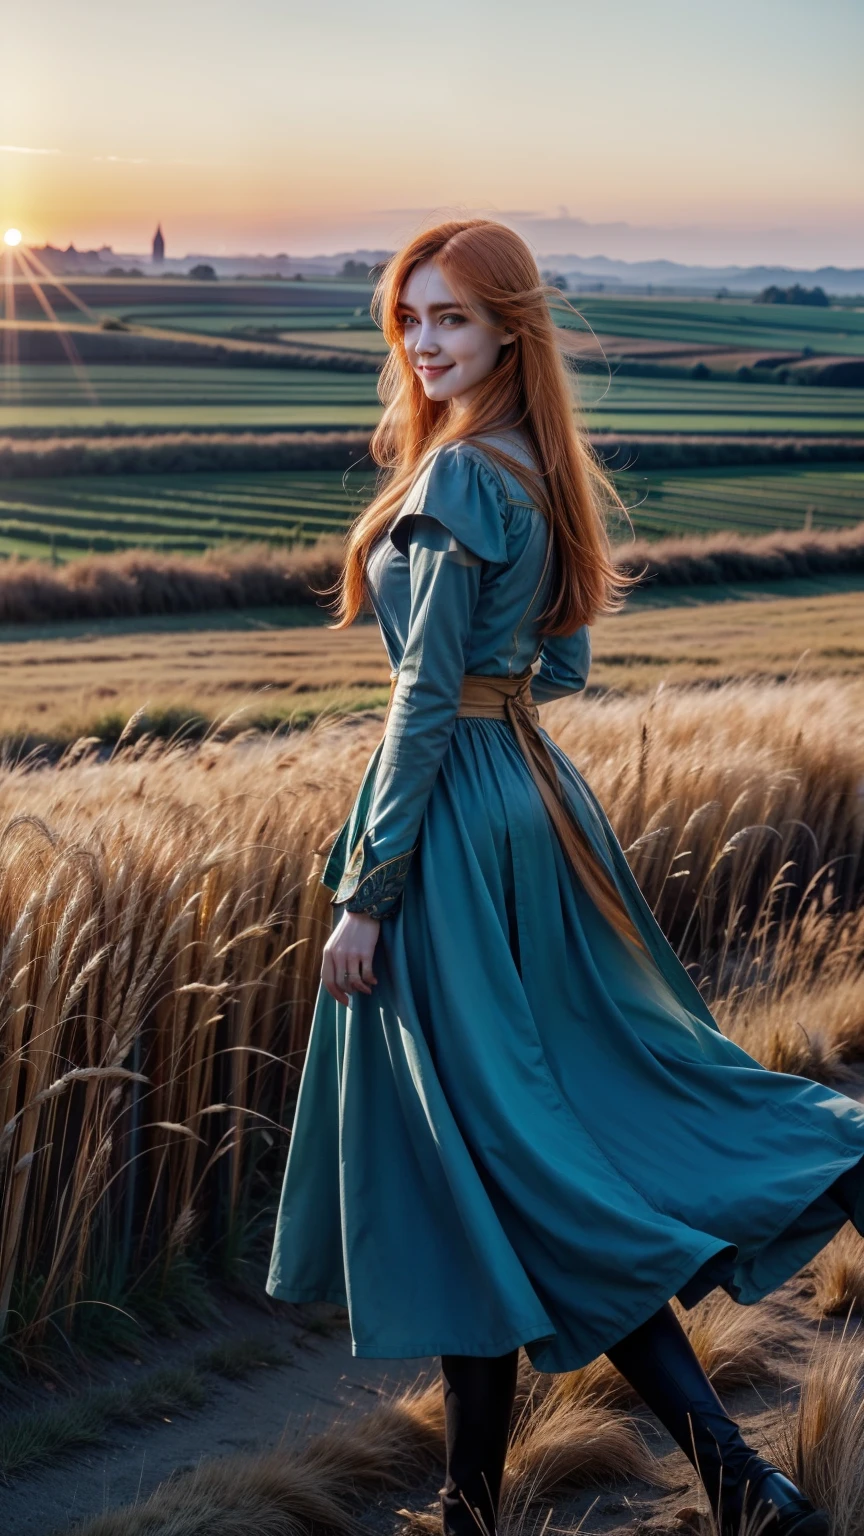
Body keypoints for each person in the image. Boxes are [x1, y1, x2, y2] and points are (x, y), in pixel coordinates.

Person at [267, 219, 864, 1536]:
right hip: (535, 804)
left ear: (507, 333)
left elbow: (424, 700)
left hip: (450, 835)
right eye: (411, 319)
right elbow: (565, 669)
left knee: (491, 1172)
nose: (425, 343)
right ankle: (518, 1503)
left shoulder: (449, 484)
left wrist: (368, 894)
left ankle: (733, 1480)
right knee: (494, 1170)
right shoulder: (541, 468)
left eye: (454, 322)